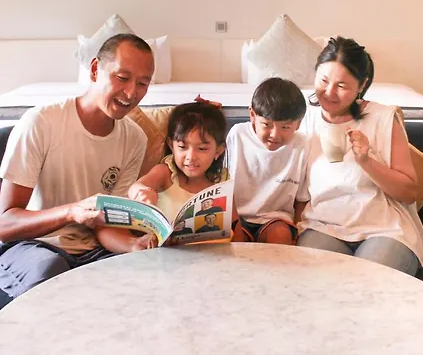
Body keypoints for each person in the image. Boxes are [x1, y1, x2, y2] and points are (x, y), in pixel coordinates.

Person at [0, 33, 155, 304]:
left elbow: (106, 225)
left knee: (147, 279)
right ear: (95, 70)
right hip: (34, 246)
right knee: (51, 272)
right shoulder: (41, 122)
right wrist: (71, 212)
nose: (132, 93)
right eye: (122, 77)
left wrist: (134, 245)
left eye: (142, 83)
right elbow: (5, 223)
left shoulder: (134, 138)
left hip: (93, 250)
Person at [296, 36, 423, 275]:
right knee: (317, 279)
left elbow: (408, 193)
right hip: (323, 225)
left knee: (369, 281)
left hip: (384, 228)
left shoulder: (383, 118)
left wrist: (366, 161)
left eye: (342, 86)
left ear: (361, 86)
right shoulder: (301, 118)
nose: (329, 92)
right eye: (323, 80)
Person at [96, 100, 238, 251]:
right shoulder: (166, 172)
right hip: (164, 253)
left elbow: (235, 224)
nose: (191, 157)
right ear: (171, 145)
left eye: (202, 149)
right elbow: (137, 186)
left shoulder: (222, 181)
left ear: (218, 151)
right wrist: (143, 192)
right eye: (182, 147)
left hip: (209, 254)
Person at [227, 77, 309, 245]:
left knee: (279, 236)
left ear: (298, 124)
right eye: (266, 124)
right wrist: (234, 223)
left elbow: (302, 198)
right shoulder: (238, 134)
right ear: (252, 115)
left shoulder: (302, 144)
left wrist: (298, 233)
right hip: (237, 215)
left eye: (285, 127)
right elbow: (223, 184)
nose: (275, 134)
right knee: (234, 240)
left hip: (276, 218)